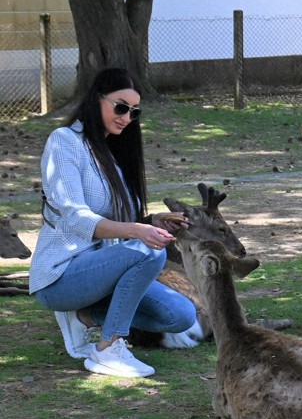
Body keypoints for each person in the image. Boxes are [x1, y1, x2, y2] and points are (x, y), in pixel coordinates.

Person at [30, 68, 197, 378]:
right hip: (62, 275)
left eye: (134, 112)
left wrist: (150, 221)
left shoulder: (113, 152)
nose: (126, 117)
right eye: (120, 107)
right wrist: (137, 231)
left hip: (103, 272)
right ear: (97, 99)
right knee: (149, 251)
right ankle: (110, 348)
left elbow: (118, 218)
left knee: (182, 316)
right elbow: (75, 215)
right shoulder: (65, 141)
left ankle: (85, 317)